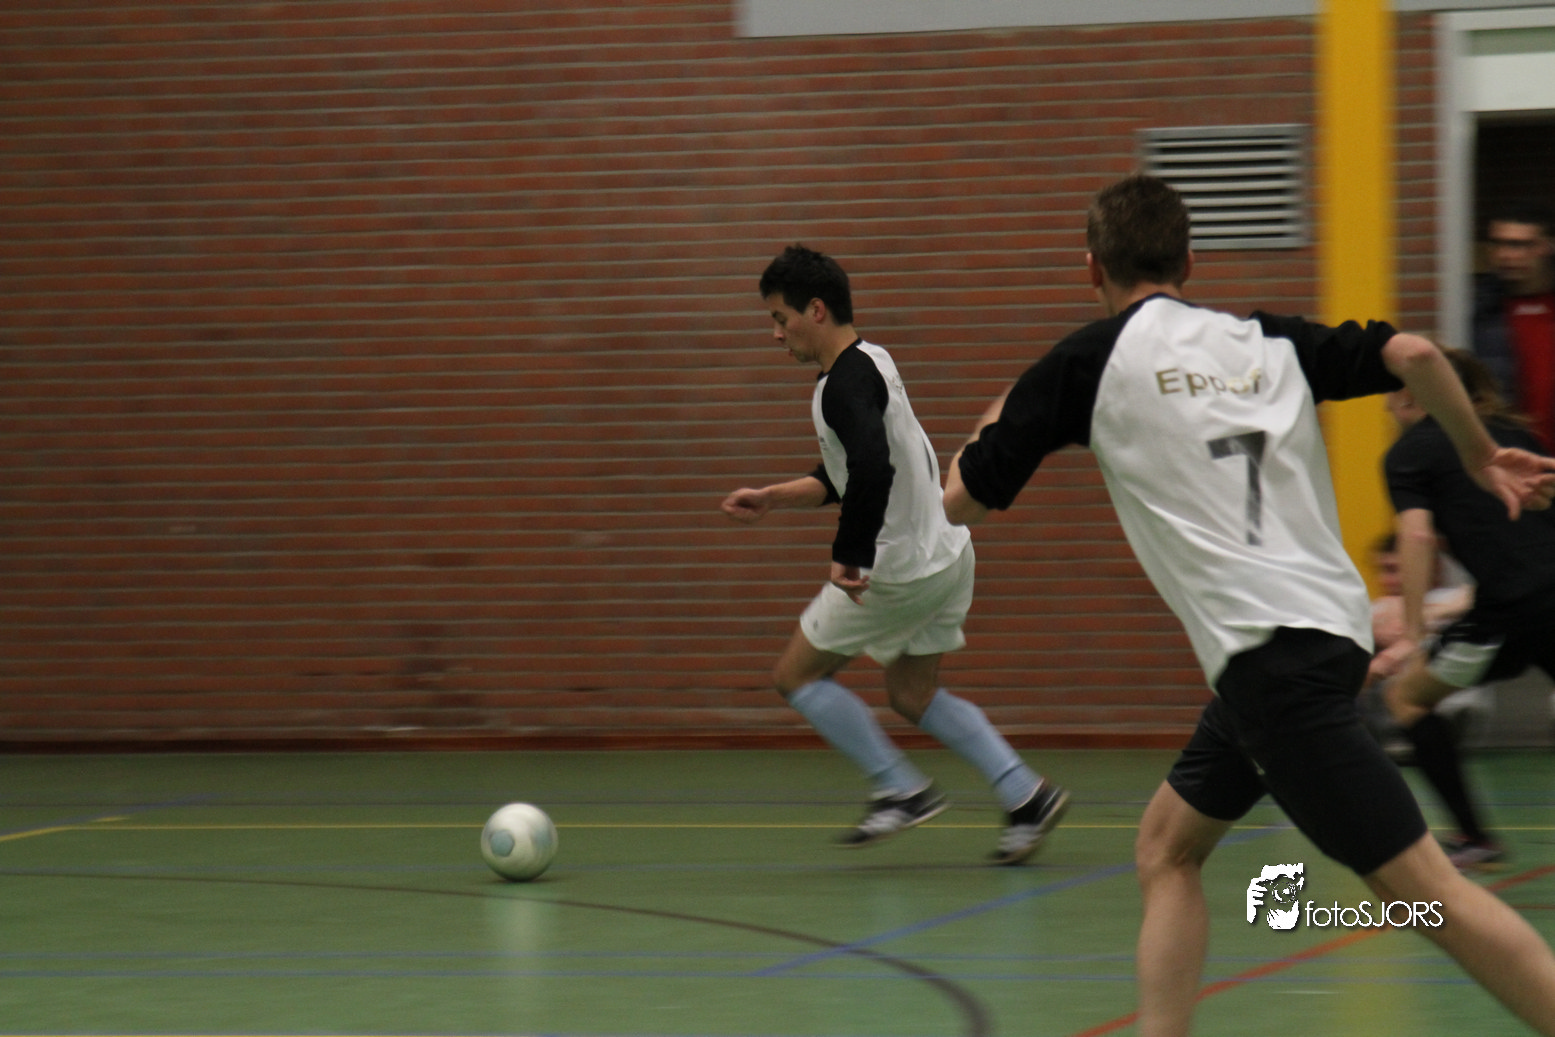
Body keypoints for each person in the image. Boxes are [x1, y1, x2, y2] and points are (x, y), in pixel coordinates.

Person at [941, 174, 1555, 1036]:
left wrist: (1002, 408)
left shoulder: (1085, 363)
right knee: (1166, 847)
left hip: (1274, 669)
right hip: (1318, 641)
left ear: (1091, 269)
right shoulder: (1265, 339)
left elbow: (958, 500)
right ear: (1188, 262)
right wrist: (1481, 452)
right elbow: (1416, 354)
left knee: (1428, 895)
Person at [721, 244, 1068, 864]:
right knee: (911, 693)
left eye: (780, 318)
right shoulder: (871, 360)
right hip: (948, 555)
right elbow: (852, 473)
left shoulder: (840, 386)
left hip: (897, 570)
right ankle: (1027, 794)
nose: (776, 333)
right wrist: (775, 497)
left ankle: (900, 789)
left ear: (816, 310)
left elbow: (872, 468)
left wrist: (849, 554)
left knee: (795, 676)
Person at [1370, 347, 1555, 871]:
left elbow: (1416, 536)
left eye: (1390, 392)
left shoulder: (1410, 453)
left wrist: (1411, 633)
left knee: (1406, 697)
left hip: (1510, 609)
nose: (1386, 405)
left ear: (1414, 393)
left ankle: (1474, 838)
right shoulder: (1513, 434)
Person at [1473, 202, 1555, 449]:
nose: (1505, 255)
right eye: (1497, 244)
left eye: (1518, 245)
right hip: (1511, 457)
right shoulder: (1479, 313)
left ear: (1547, 247)